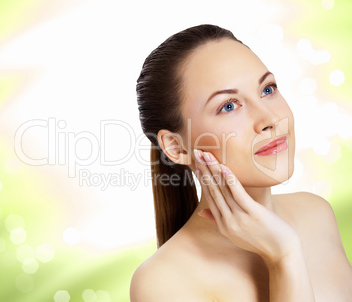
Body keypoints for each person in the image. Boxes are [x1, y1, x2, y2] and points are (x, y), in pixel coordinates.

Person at [130, 24, 352, 301]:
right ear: (176, 147)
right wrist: (283, 256)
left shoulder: (316, 212)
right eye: (229, 106)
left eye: (267, 89)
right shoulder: (163, 282)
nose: (269, 119)